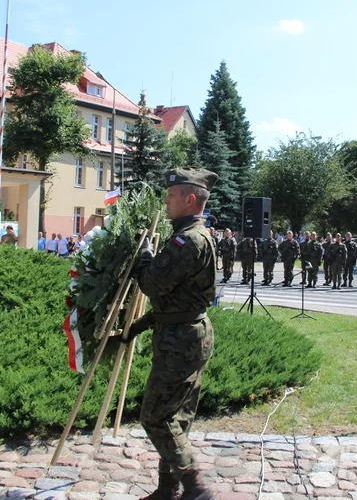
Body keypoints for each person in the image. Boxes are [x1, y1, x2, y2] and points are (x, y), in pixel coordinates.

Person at [122, 167, 219, 500]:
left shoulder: (188, 240)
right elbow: (174, 298)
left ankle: (195, 487)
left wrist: (144, 255)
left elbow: (151, 283)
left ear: (189, 199)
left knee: (155, 415)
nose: (166, 199)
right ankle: (168, 490)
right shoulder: (190, 234)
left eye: (172, 194)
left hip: (182, 339)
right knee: (177, 416)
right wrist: (140, 325)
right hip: (183, 332)